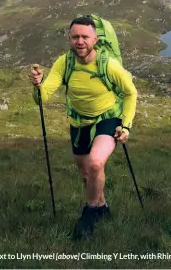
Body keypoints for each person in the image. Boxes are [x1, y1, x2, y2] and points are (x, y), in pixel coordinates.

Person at [28, 15, 137, 239]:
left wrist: (125, 125)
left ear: (95, 39)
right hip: (79, 123)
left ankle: (89, 213)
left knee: (96, 163)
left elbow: (130, 93)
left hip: (108, 118)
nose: (80, 41)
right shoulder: (64, 63)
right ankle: (103, 207)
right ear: (69, 38)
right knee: (87, 175)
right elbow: (43, 98)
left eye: (85, 37)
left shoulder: (108, 64)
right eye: (75, 36)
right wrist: (38, 86)